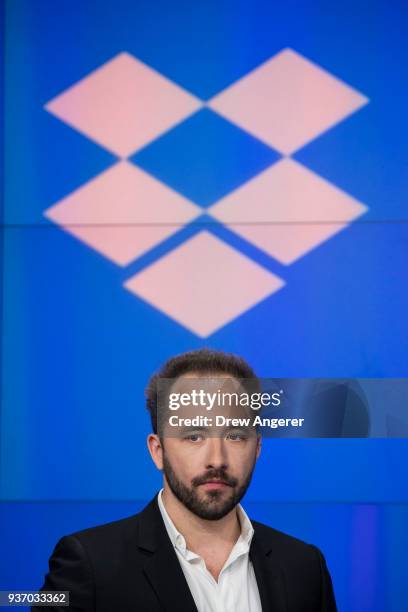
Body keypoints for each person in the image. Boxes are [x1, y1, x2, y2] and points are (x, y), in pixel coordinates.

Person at [33, 348, 337, 611]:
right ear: (158, 450)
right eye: (193, 436)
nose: (216, 459)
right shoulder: (89, 564)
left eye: (234, 436)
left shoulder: (305, 567)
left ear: (256, 448)